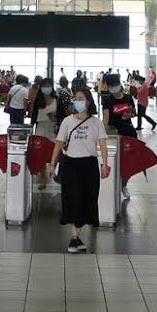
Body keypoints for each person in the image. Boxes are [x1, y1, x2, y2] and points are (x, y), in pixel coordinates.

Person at [47, 87, 110, 253]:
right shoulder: (67, 121)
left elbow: (102, 144)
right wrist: (52, 164)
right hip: (71, 165)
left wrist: (105, 164)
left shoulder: (96, 123)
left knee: (87, 199)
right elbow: (59, 143)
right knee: (73, 199)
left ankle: (76, 238)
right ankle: (74, 238)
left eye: (81, 98)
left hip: (89, 165)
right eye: (76, 98)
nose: (78, 101)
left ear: (88, 102)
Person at [102, 78, 138, 199]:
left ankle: (124, 185)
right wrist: (102, 134)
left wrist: (130, 115)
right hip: (114, 133)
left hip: (129, 133)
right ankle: (113, 184)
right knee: (114, 160)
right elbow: (106, 119)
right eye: (110, 86)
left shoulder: (128, 98)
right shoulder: (107, 100)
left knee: (128, 162)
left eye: (115, 85)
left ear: (119, 85)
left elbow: (134, 112)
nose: (113, 88)